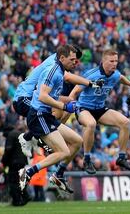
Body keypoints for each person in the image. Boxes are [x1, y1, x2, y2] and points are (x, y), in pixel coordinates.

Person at [18, 45, 84, 194]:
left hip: (46, 115)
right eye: (72, 59)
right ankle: (28, 172)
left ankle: (58, 175)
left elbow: (52, 96)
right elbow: (42, 96)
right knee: (63, 152)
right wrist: (64, 106)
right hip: (39, 115)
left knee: (77, 141)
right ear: (62, 58)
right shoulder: (53, 71)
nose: (75, 63)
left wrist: (69, 103)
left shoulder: (59, 71)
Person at [14, 45, 101, 156]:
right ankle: (29, 137)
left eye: (76, 60)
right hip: (24, 98)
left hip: (37, 95)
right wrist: (90, 83)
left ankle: (37, 136)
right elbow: (68, 77)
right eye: (73, 60)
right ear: (64, 57)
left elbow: (68, 77)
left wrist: (91, 83)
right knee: (50, 111)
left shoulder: (58, 63)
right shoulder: (53, 65)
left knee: (68, 101)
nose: (75, 63)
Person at [68, 49, 130, 174]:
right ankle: (87, 159)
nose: (114, 63)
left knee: (126, 122)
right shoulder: (92, 74)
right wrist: (71, 105)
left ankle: (121, 157)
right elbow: (75, 91)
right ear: (103, 61)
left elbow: (120, 77)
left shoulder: (115, 74)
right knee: (91, 124)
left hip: (100, 109)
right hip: (84, 108)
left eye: (116, 61)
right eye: (111, 61)